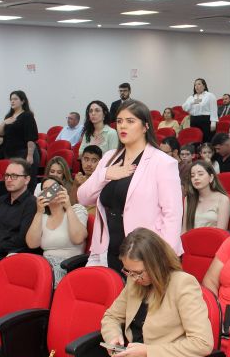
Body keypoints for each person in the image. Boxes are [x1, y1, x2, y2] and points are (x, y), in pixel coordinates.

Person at [33, 228, 213, 357]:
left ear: (156, 264)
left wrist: (149, 352)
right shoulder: (134, 283)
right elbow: (110, 317)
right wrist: (113, 336)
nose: (134, 277)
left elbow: (202, 343)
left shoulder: (183, 284)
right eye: (128, 272)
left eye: (138, 272)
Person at [77, 100, 183, 274]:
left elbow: (172, 215)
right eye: (119, 121)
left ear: (145, 126)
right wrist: (105, 174)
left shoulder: (162, 162)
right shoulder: (109, 158)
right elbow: (83, 197)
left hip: (144, 252)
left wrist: (161, 258)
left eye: (130, 121)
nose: (122, 126)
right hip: (106, 247)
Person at [26, 177, 88, 286]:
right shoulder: (42, 216)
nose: (50, 192)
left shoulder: (77, 210)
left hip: (67, 266)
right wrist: (39, 212)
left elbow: (78, 238)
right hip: (45, 265)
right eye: (45, 189)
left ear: (62, 190)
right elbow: (32, 244)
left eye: (53, 188)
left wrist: (68, 207)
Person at [0, 90, 39, 169]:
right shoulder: (8, 116)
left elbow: (31, 138)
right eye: (11, 99)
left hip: (23, 153)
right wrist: (4, 123)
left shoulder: (27, 115)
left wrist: (29, 155)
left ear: (22, 101)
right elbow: (0, 133)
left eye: (15, 99)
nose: (12, 101)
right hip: (10, 153)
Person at [183, 161, 230, 232]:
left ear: (211, 177)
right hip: (191, 238)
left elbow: (221, 232)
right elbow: (184, 230)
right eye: (192, 176)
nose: (196, 178)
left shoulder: (223, 199)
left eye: (200, 174)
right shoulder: (188, 199)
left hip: (214, 238)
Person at [182, 78, 218, 142]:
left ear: (204, 86)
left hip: (205, 120)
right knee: (195, 141)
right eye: (195, 85)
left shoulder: (209, 95)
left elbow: (214, 109)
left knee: (206, 140)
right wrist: (193, 102)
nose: (196, 86)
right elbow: (184, 107)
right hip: (193, 120)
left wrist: (213, 122)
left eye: (199, 84)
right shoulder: (192, 97)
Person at [72, 145, 102, 211]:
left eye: (94, 161)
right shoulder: (78, 179)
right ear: (81, 160)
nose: (89, 164)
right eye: (86, 159)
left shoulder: (102, 182)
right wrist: (75, 185)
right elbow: (72, 205)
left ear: (100, 162)